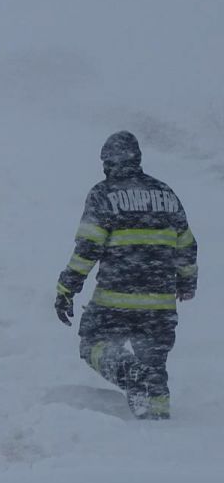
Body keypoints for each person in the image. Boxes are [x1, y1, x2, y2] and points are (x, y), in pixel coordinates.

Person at [54, 131, 198, 419]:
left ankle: (130, 372)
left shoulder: (103, 194)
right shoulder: (166, 194)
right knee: (155, 368)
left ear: (109, 161)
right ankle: (159, 424)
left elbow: (88, 249)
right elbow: (187, 245)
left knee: (92, 344)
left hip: (115, 301)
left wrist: (66, 289)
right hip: (160, 305)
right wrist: (186, 282)